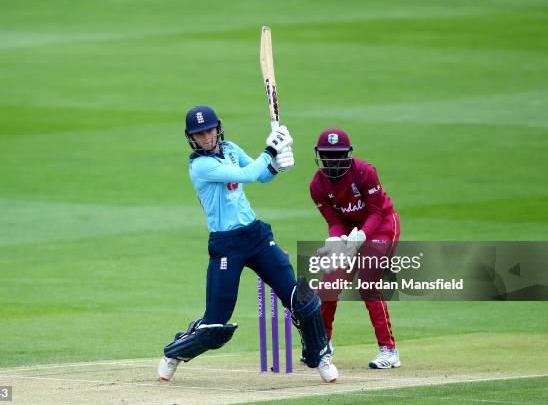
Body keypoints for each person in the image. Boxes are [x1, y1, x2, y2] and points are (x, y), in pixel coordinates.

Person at [157, 106, 338, 382]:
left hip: (256, 236)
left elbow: (261, 175)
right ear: (191, 137)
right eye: (199, 134)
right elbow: (247, 175)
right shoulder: (200, 166)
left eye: (209, 130)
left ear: (218, 128)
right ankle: (174, 354)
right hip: (226, 244)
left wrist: (275, 166)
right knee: (215, 325)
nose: (206, 137)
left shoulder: (230, 148)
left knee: (300, 297)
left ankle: (320, 356)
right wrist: (270, 150)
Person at [309, 127, 401, 369]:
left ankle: (389, 350)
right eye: (328, 155)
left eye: (338, 154)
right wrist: (335, 241)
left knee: (368, 285)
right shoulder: (317, 185)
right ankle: (322, 345)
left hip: (381, 226)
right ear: (320, 155)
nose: (333, 160)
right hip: (350, 231)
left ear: (347, 154)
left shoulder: (364, 172)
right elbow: (335, 221)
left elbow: (376, 211)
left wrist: (359, 237)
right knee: (328, 286)